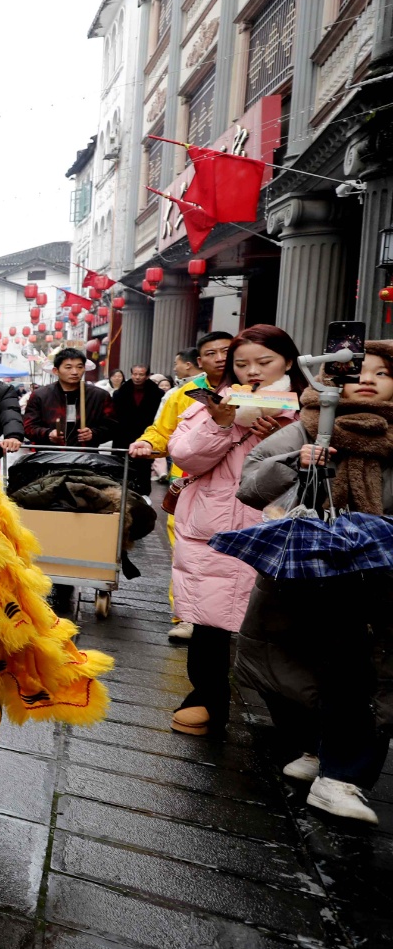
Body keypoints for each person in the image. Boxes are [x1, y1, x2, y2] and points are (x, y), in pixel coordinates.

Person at [237, 343, 393, 824]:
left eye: (383, 373)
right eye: (356, 371)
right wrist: (297, 464)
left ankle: (342, 777)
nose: (368, 380)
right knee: (288, 666)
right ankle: (318, 747)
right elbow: (250, 483)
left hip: (377, 579)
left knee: (367, 675)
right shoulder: (305, 426)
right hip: (304, 572)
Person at [165, 324, 306, 736]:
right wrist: (223, 425)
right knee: (208, 622)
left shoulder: (307, 409)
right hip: (214, 527)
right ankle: (207, 698)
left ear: (288, 362)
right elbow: (186, 456)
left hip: (274, 528)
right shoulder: (214, 403)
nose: (252, 371)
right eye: (242, 364)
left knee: (277, 627)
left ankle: (292, 715)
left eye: (264, 362)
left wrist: (284, 436)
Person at [132, 331, 235, 641]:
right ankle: (187, 616)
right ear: (199, 361)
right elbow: (162, 431)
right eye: (211, 353)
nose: (219, 357)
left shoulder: (258, 393)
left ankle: (232, 617)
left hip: (239, 492)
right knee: (187, 553)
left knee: (233, 558)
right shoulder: (185, 393)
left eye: (226, 351)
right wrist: (146, 442)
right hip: (190, 487)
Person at [24, 347, 115, 447]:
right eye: (68, 367)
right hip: (50, 456)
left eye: (79, 367)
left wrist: (94, 433)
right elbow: (28, 427)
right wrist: (48, 434)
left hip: (86, 456)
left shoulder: (99, 396)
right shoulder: (40, 395)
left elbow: (113, 427)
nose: (75, 372)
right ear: (55, 371)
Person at [112, 364, 167, 449]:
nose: (137, 377)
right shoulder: (120, 393)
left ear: (147, 376)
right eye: (135, 374)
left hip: (147, 437)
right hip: (123, 437)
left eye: (141, 375)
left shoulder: (158, 394)